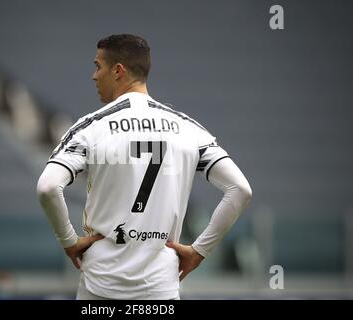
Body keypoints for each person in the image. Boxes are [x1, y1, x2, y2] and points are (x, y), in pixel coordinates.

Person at [37, 34, 252, 300]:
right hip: (160, 286)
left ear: (118, 71)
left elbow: (47, 187)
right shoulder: (187, 128)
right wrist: (199, 251)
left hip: (101, 284)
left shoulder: (91, 128)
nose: (94, 76)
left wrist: (68, 240)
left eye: (97, 66)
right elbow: (240, 189)